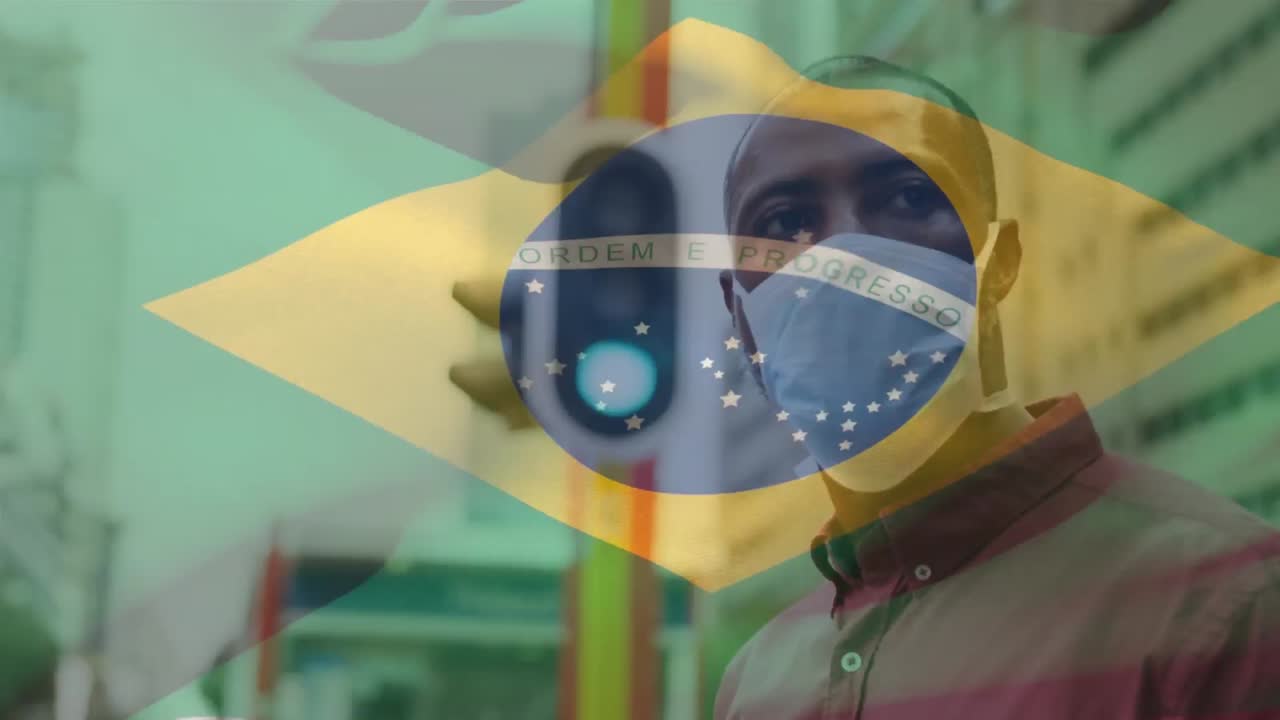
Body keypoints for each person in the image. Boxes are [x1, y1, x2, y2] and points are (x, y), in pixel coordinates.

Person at [713, 55, 1280, 719]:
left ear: (999, 264)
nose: (847, 257)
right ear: (743, 322)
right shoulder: (758, 681)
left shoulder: (1220, 603)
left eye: (908, 196)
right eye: (784, 222)